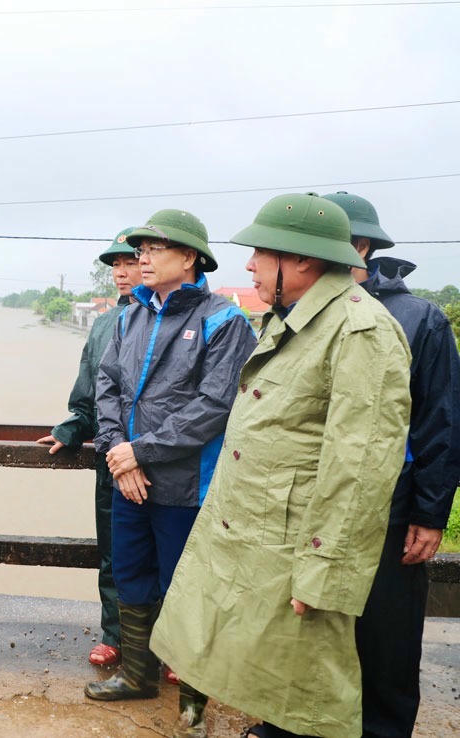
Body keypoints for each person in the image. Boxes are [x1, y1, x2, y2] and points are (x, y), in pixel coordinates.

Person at [151, 193, 412, 738]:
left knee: (311, 689)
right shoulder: (294, 319)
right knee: (277, 678)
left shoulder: (360, 331)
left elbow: (361, 468)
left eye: (260, 253)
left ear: (302, 260)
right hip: (262, 537)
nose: (249, 265)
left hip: (299, 548)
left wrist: (325, 573)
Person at [84, 209, 256, 737]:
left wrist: (139, 452)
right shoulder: (130, 316)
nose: (143, 258)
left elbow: (214, 406)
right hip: (130, 479)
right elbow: (107, 388)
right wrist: (119, 454)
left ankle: (193, 702)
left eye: (155, 249)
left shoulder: (223, 320)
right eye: (141, 250)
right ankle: (138, 675)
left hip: (187, 485)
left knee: (188, 586)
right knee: (130, 573)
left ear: (190, 258)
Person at [323, 191, 460, 736]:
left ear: (361, 247)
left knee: (386, 634)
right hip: (314, 501)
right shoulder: (297, 316)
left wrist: (429, 513)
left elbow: (440, 421)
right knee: (307, 625)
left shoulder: (417, 318)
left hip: (389, 506)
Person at [36, 228, 141, 666]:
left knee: (170, 553)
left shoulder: (178, 321)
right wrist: (71, 429)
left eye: (130, 261)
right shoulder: (103, 324)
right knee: (114, 554)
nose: (121, 272)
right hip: (110, 458)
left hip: (162, 459)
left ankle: (170, 645)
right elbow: (87, 397)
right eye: (116, 264)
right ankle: (115, 635)